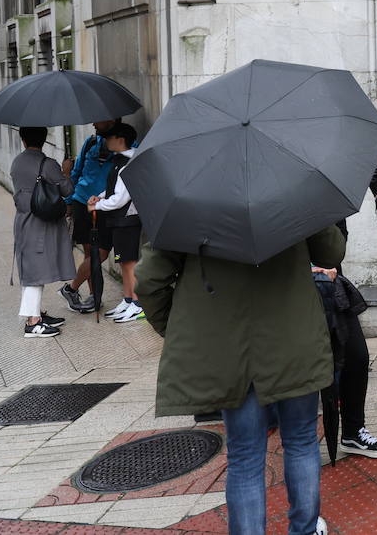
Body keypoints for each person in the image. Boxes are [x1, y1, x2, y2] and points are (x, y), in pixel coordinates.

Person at [138, 224, 347, 535]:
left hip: (229, 347)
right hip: (294, 338)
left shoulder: (189, 201)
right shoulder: (292, 187)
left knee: (245, 456)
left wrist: (177, 326)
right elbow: (332, 252)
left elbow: (149, 281)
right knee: (301, 442)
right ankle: (304, 529)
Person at [313, 220, 377, 460]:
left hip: (330, 285)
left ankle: (352, 431)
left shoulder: (319, 190)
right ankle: (299, 442)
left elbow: (340, 240)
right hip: (290, 293)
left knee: (356, 356)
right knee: (305, 374)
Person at [11, 127, 75, 338]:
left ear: (22, 139)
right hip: (39, 223)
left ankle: (36, 313)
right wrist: (65, 171)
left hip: (23, 220)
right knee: (35, 272)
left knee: (32, 267)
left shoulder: (17, 162)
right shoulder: (47, 164)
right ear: (45, 139)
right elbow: (68, 190)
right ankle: (33, 323)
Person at [59, 118, 121, 314]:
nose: (94, 123)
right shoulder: (90, 143)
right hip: (82, 202)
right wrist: (69, 202)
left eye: (98, 119)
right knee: (89, 253)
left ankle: (71, 288)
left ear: (111, 119)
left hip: (107, 206)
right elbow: (76, 174)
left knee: (100, 252)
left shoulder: (125, 145)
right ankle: (95, 297)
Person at [87, 124, 145, 323]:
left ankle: (138, 305)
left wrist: (97, 206)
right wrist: (99, 197)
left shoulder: (129, 162)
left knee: (130, 263)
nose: (106, 141)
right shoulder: (119, 160)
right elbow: (113, 189)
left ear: (120, 139)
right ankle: (128, 300)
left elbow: (120, 199)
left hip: (127, 220)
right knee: (124, 262)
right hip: (120, 221)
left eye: (109, 137)